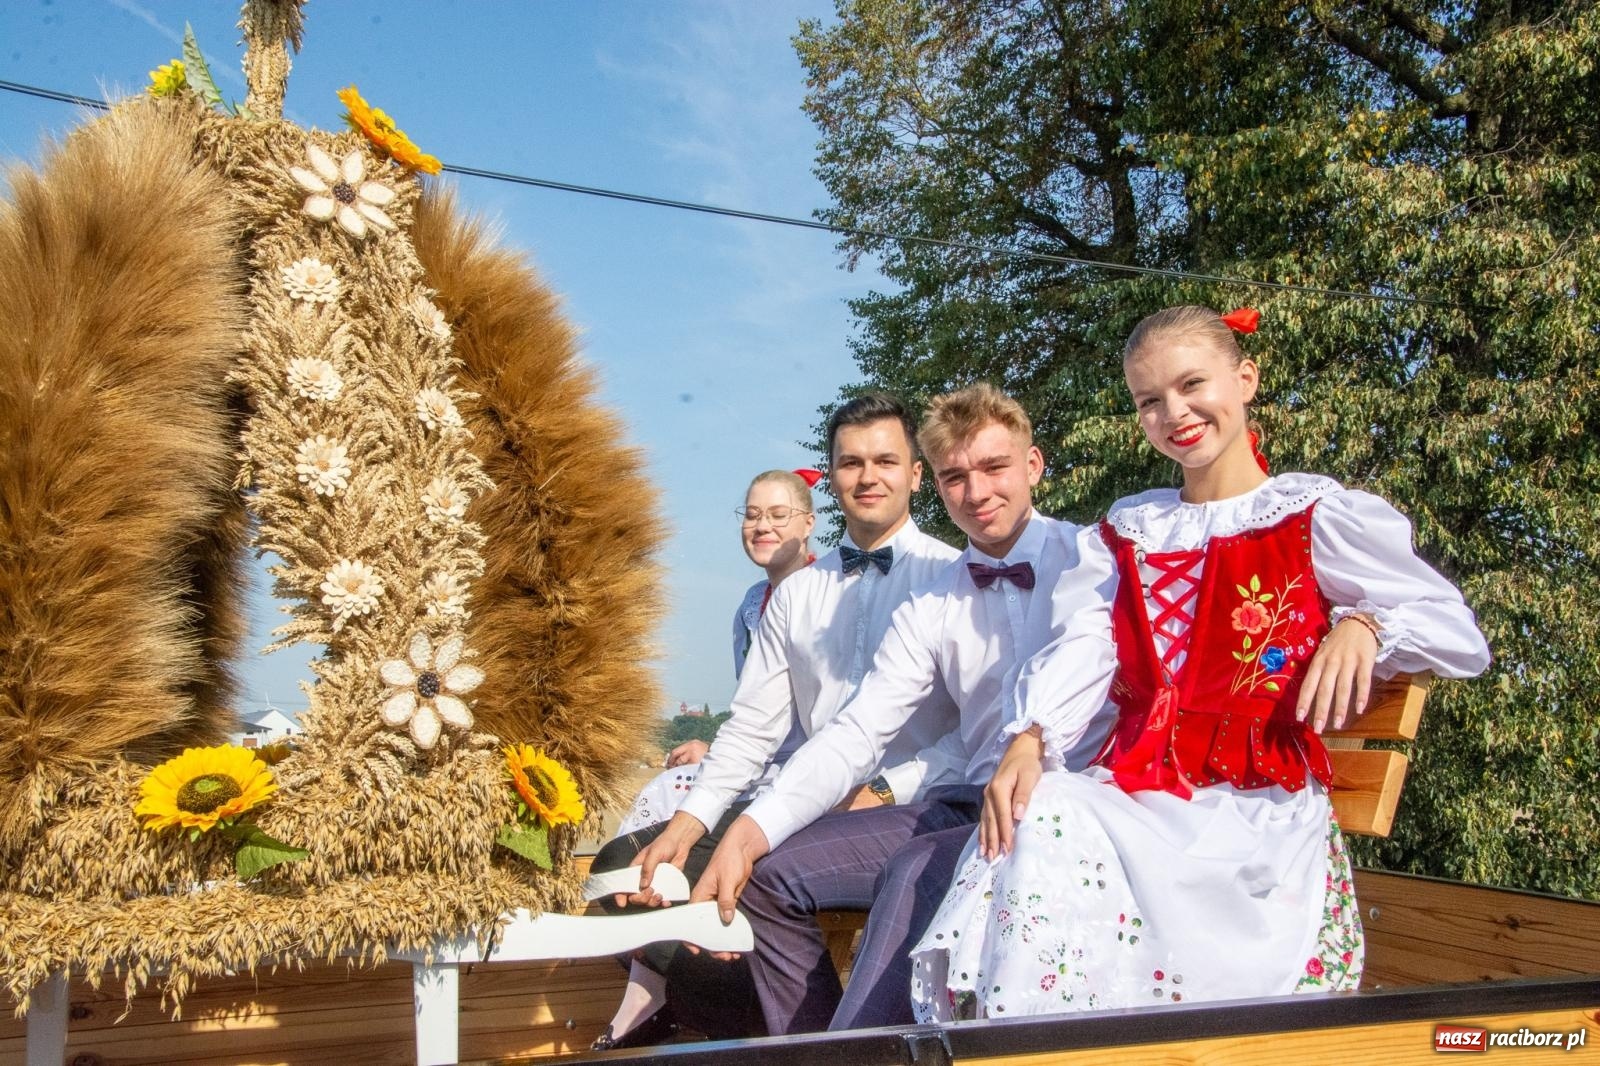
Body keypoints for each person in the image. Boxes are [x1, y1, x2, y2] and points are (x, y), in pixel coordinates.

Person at [909, 305, 1491, 1021]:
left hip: (1256, 807)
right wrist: (1030, 735)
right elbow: (1086, 645)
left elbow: (1458, 634)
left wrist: (1365, 623)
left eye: (1192, 385)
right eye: (1150, 401)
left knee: (1049, 817)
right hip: (1145, 791)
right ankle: (1041, 1033)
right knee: (1044, 806)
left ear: (1245, 379)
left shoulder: (1311, 514)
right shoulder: (1129, 530)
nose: (1174, 413)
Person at [689, 384, 1113, 1035]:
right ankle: (823, 1046)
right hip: (964, 801)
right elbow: (858, 729)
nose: (976, 494)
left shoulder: (1095, 563)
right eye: (955, 477)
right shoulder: (935, 600)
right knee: (770, 875)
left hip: (1074, 803)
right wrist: (750, 831)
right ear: (936, 484)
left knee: (914, 870)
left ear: (1033, 466)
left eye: (995, 469)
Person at [589, 393, 964, 1047]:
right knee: (624, 869)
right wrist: (689, 820)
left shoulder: (952, 578)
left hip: (908, 806)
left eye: (884, 460)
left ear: (915, 475)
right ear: (832, 473)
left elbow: (974, 732)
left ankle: (824, 1043)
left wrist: (883, 789)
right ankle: (761, 1029)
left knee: (756, 874)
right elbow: (752, 726)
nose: (867, 476)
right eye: (850, 462)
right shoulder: (797, 595)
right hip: (799, 802)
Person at [611, 467, 822, 838]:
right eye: (752, 515)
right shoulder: (751, 604)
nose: (762, 526)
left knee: (668, 794)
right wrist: (713, 752)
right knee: (669, 785)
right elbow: (757, 711)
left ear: (808, 524)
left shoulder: (830, 597)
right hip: (761, 763)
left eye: (778, 515)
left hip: (814, 771)